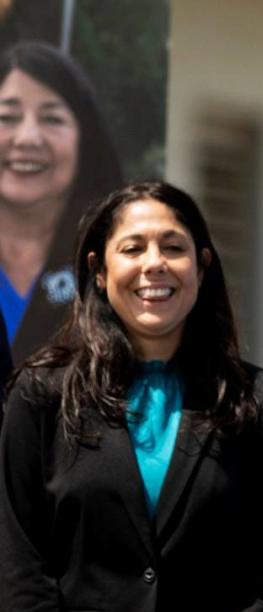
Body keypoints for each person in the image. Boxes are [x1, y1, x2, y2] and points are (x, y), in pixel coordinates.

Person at [0, 182, 263, 612]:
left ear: (201, 267)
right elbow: (19, 553)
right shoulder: (41, 395)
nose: (154, 263)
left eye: (173, 247)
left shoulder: (259, 400)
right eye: (133, 248)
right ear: (99, 270)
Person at [0, 42, 122, 374]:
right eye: (7, 117)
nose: (27, 138)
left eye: (51, 118)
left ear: (85, 138)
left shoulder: (116, 266)